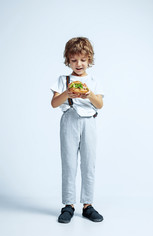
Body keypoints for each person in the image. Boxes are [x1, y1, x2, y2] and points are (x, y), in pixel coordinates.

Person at [50, 37, 104, 223]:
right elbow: (54, 103)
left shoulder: (94, 80)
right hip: (69, 120)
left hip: (89, 121)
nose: (78, 64)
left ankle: (88, 204)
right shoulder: (63, 80)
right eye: (73, 60)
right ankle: (68, 204)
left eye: (82, 59)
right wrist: (67, 93)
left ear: (89, 59)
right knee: (69, 163)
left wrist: (88, 93)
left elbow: (100, 104)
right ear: (68, 60)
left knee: (89, 163)